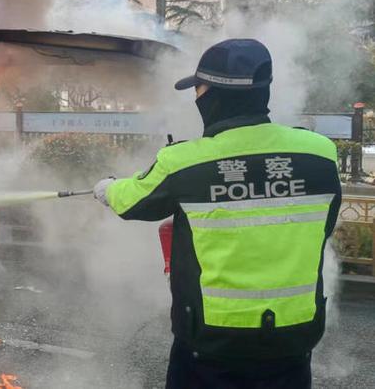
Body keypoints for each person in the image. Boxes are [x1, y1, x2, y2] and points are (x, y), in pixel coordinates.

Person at [93, 39, 341, 389]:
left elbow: (132, 202)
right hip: (294, 338)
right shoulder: (320, 153)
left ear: (213, 95)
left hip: (212, 345)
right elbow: (324, 227)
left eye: (199, 88)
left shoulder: (185, 161)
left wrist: (106, 188)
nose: (196, 96)